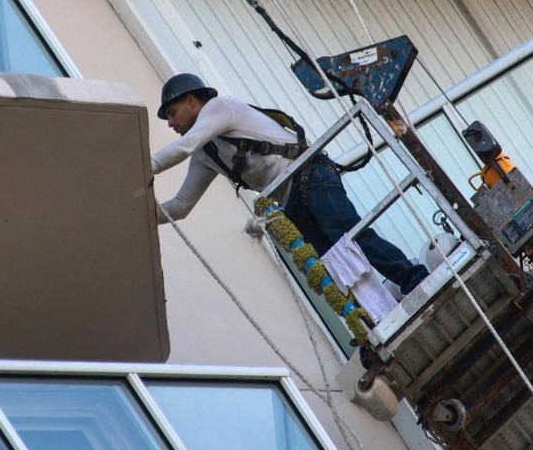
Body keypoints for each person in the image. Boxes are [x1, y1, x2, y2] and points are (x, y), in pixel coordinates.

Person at [151, 73, 427, 295]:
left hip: (309, 174)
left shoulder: (220, 107)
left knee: (349, 235)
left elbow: (184, 146)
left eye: (172, 113)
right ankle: (376, 314)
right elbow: (181, 205)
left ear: (191, 101)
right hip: (290, 200)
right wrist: (143, 216)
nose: (170, 123)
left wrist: (143, 168)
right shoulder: (204, 153)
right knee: (334, 262)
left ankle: (414, 279)